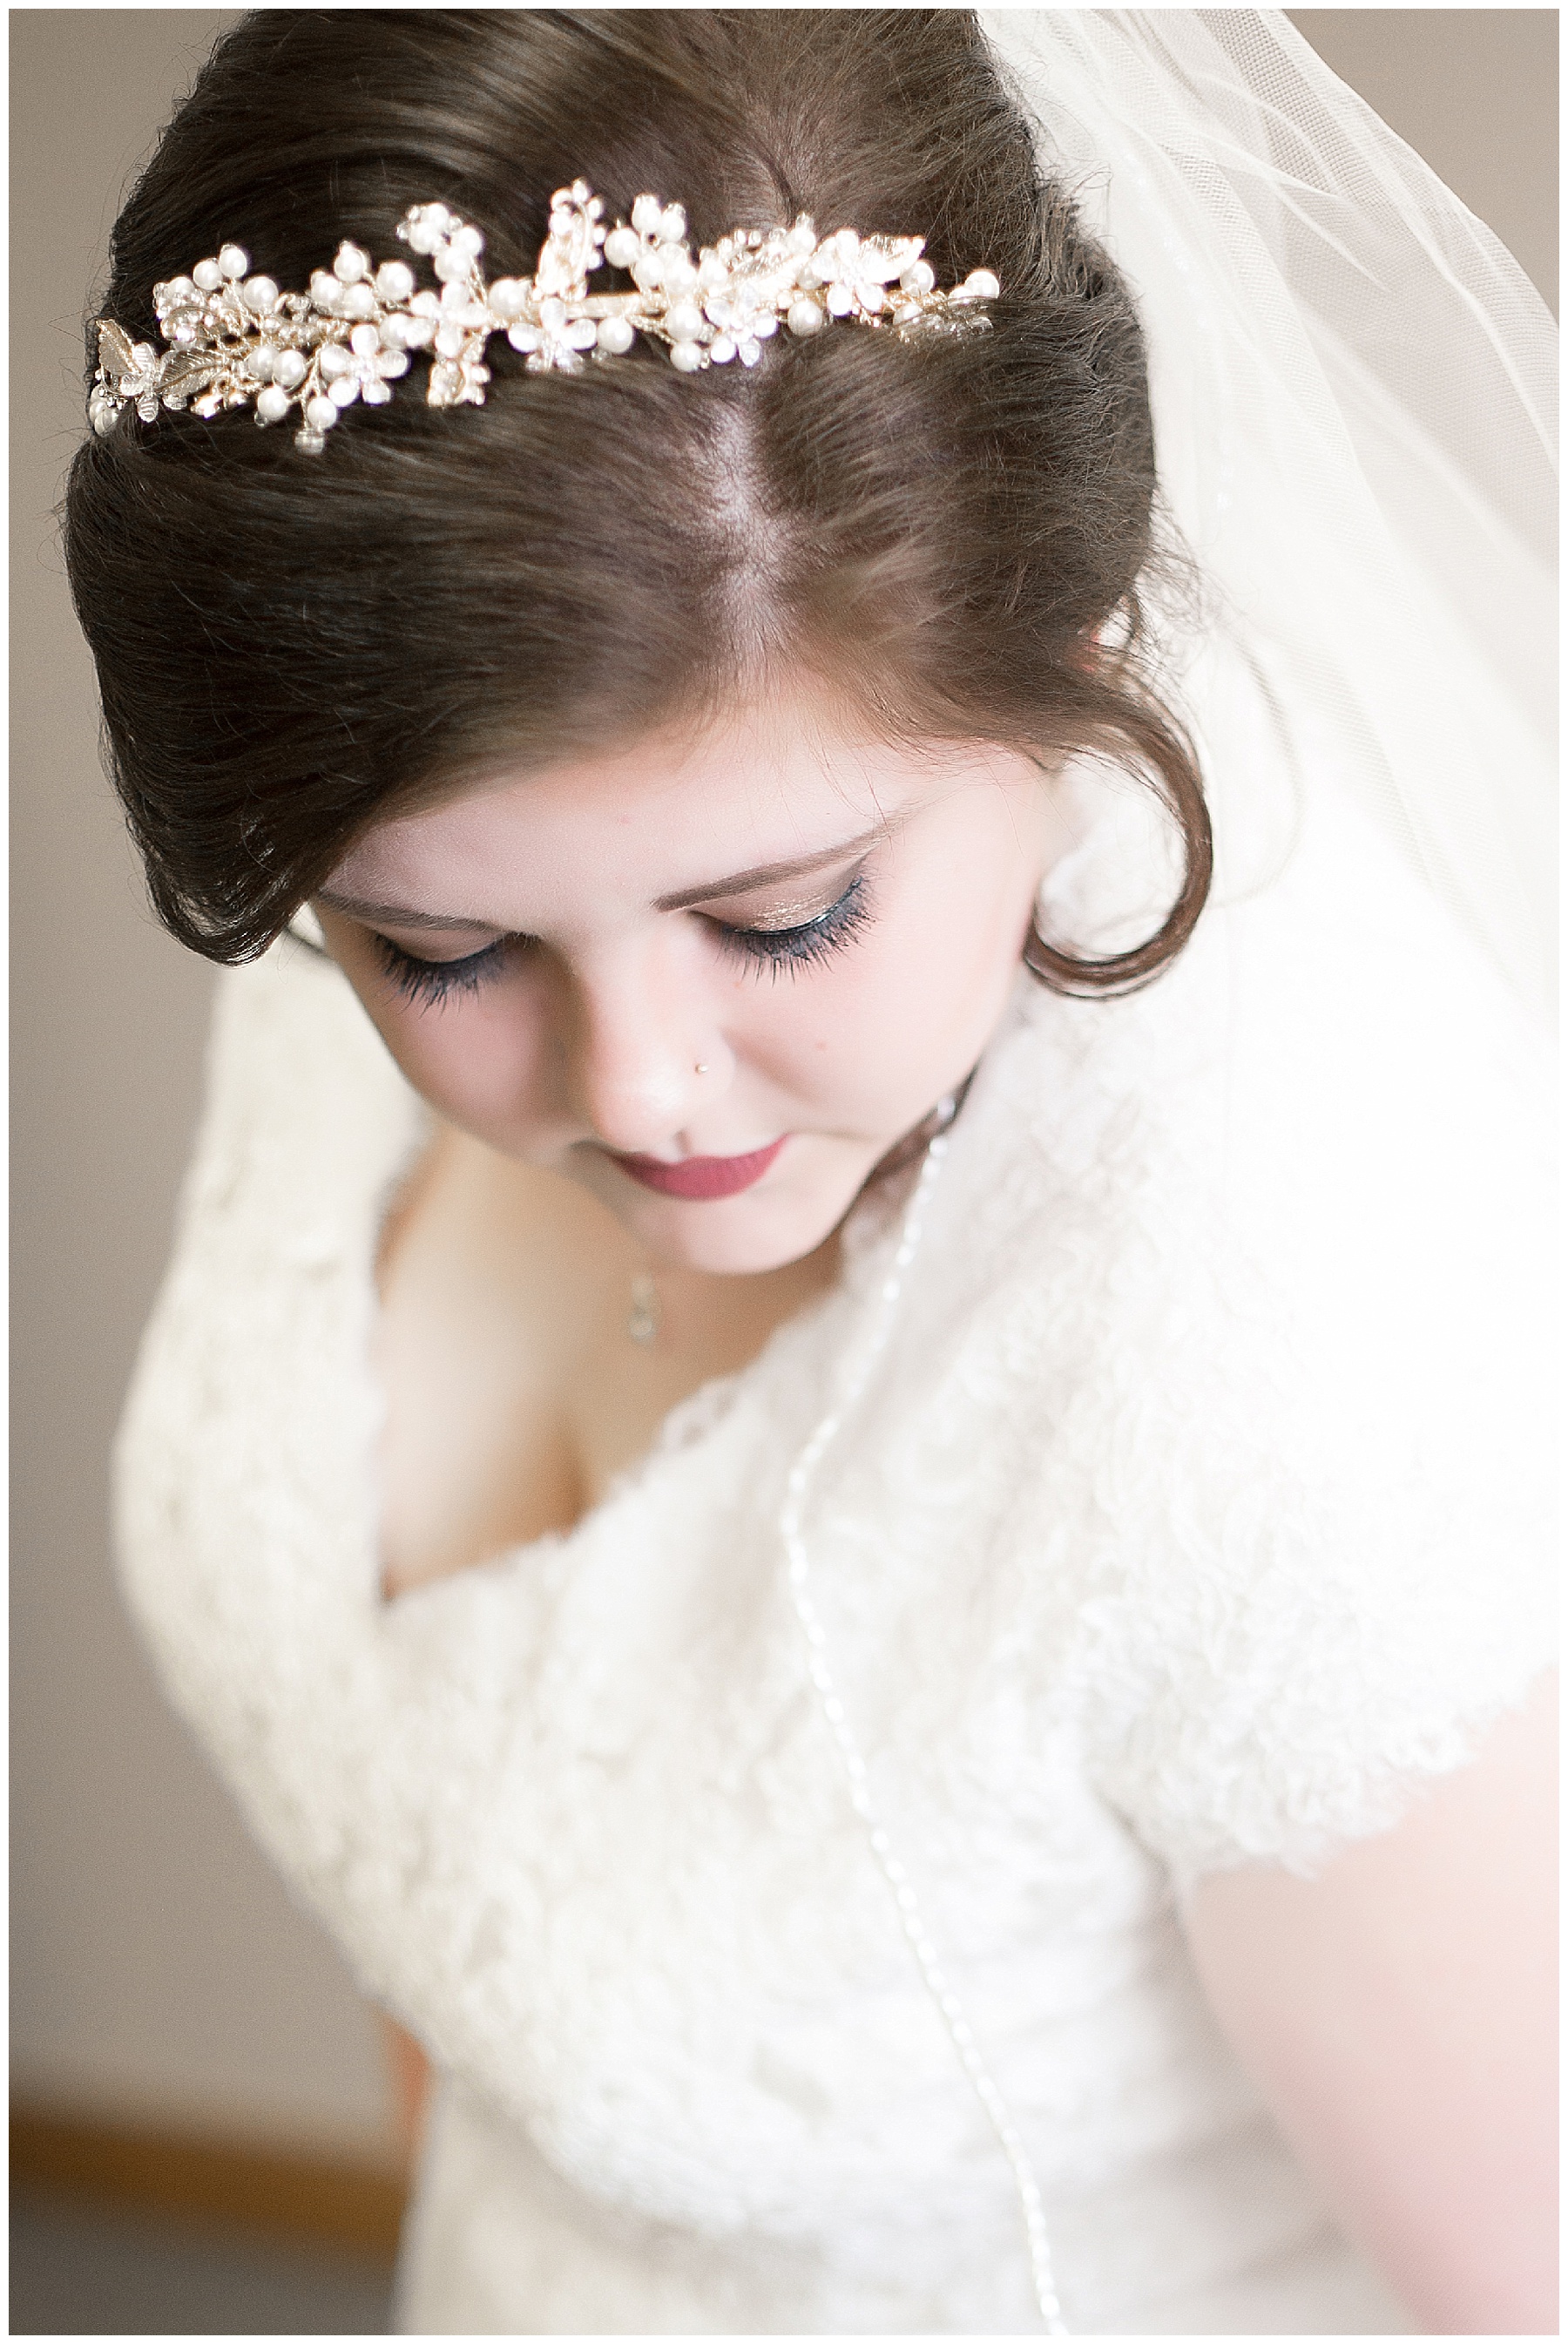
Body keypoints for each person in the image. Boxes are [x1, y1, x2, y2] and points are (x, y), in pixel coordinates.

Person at [64, 10, 1555, 2334]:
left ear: (1080, 651)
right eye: (440, 948)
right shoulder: (397, 867)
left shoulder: (1292, 1349)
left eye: (785, 916)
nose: (642, 1087)